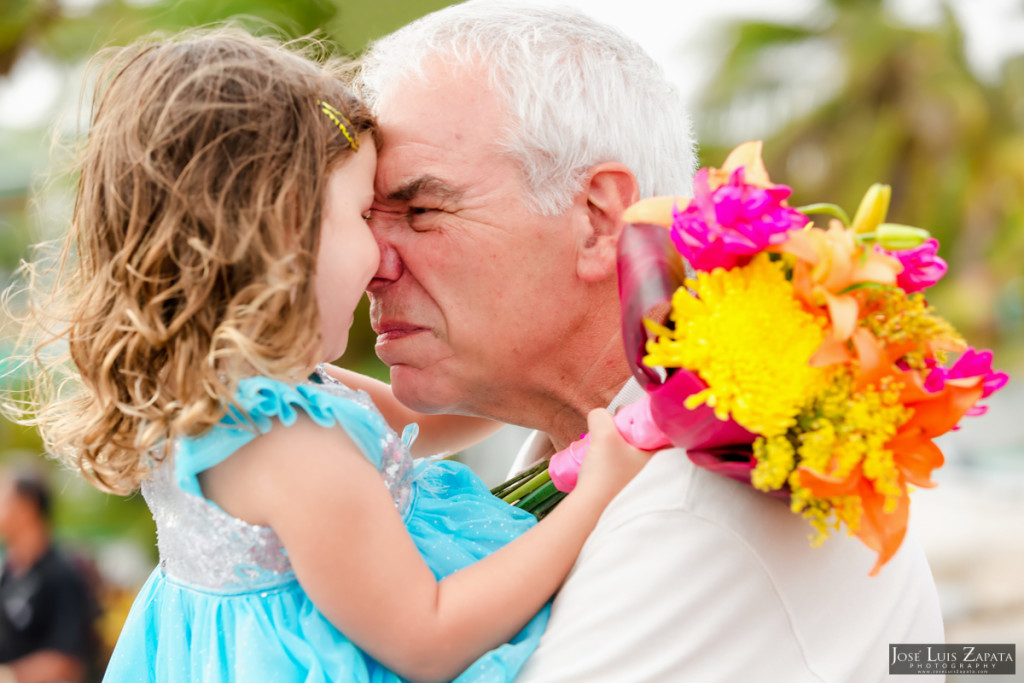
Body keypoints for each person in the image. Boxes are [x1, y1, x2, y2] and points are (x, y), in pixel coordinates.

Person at [0, 28, 651, 683]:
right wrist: (596, 497)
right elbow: (428, 638)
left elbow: (429, 416)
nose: (378, 257)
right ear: (287, 232)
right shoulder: (285, 439)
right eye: (365, 213)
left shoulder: (245, 393)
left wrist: (549, 366)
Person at [358, 2, 946, 680]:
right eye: (366, 217)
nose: (372, 260)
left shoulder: (691, 508)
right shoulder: (619, 458)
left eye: (420, 211)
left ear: (598, 219)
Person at [0, 465, 97, 683]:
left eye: (2, 497)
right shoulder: (8, 573)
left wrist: (9, 676)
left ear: (27, 505)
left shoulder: (64, 573)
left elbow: (69, 661)